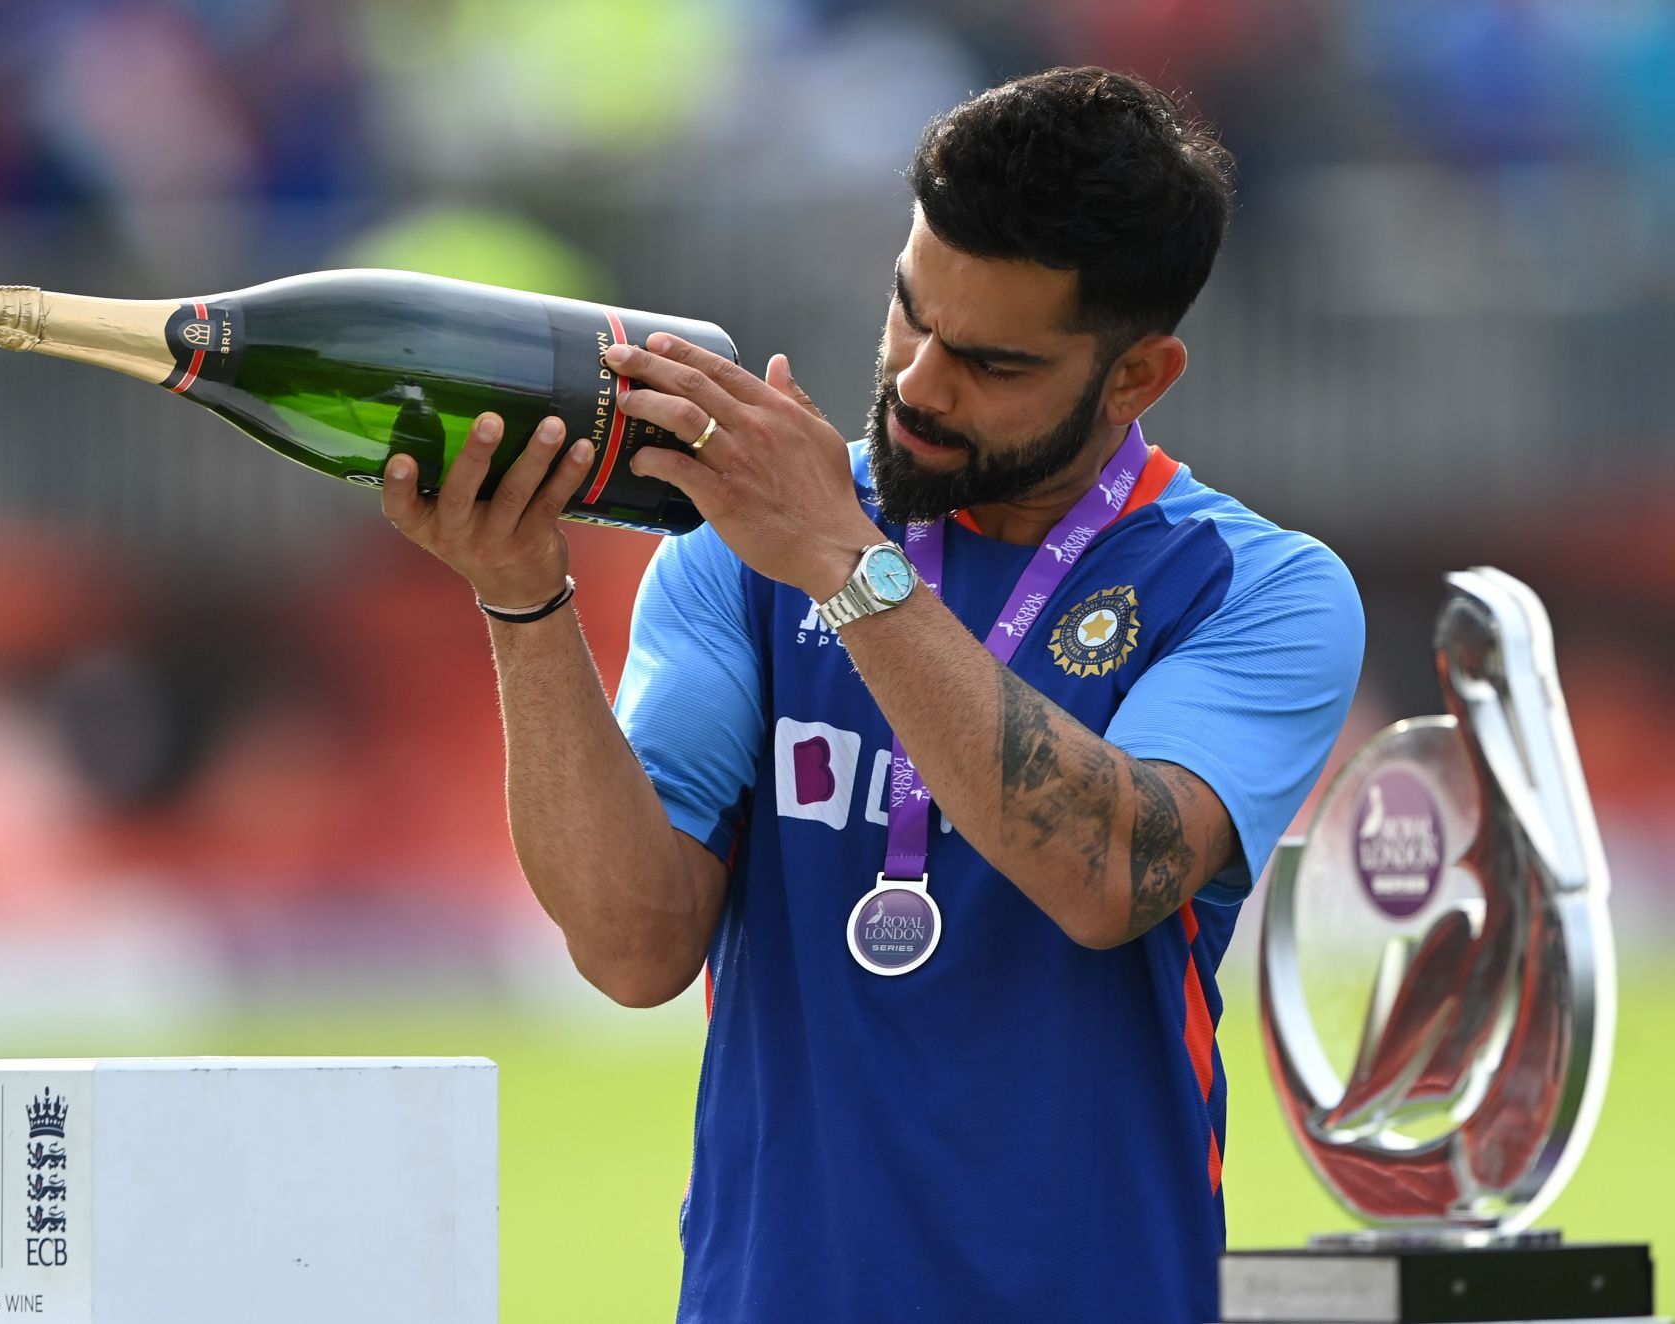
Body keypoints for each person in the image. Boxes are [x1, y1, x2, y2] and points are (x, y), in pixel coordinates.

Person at [384, 66, 1364, 1324]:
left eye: (995, 363)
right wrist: (521, 598)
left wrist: (848, 565)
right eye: (911, 312)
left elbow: (1110, 871)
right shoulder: (733, 549)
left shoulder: (1256, 590)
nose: (920, 383)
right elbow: (633, 950)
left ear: (1138, 377)